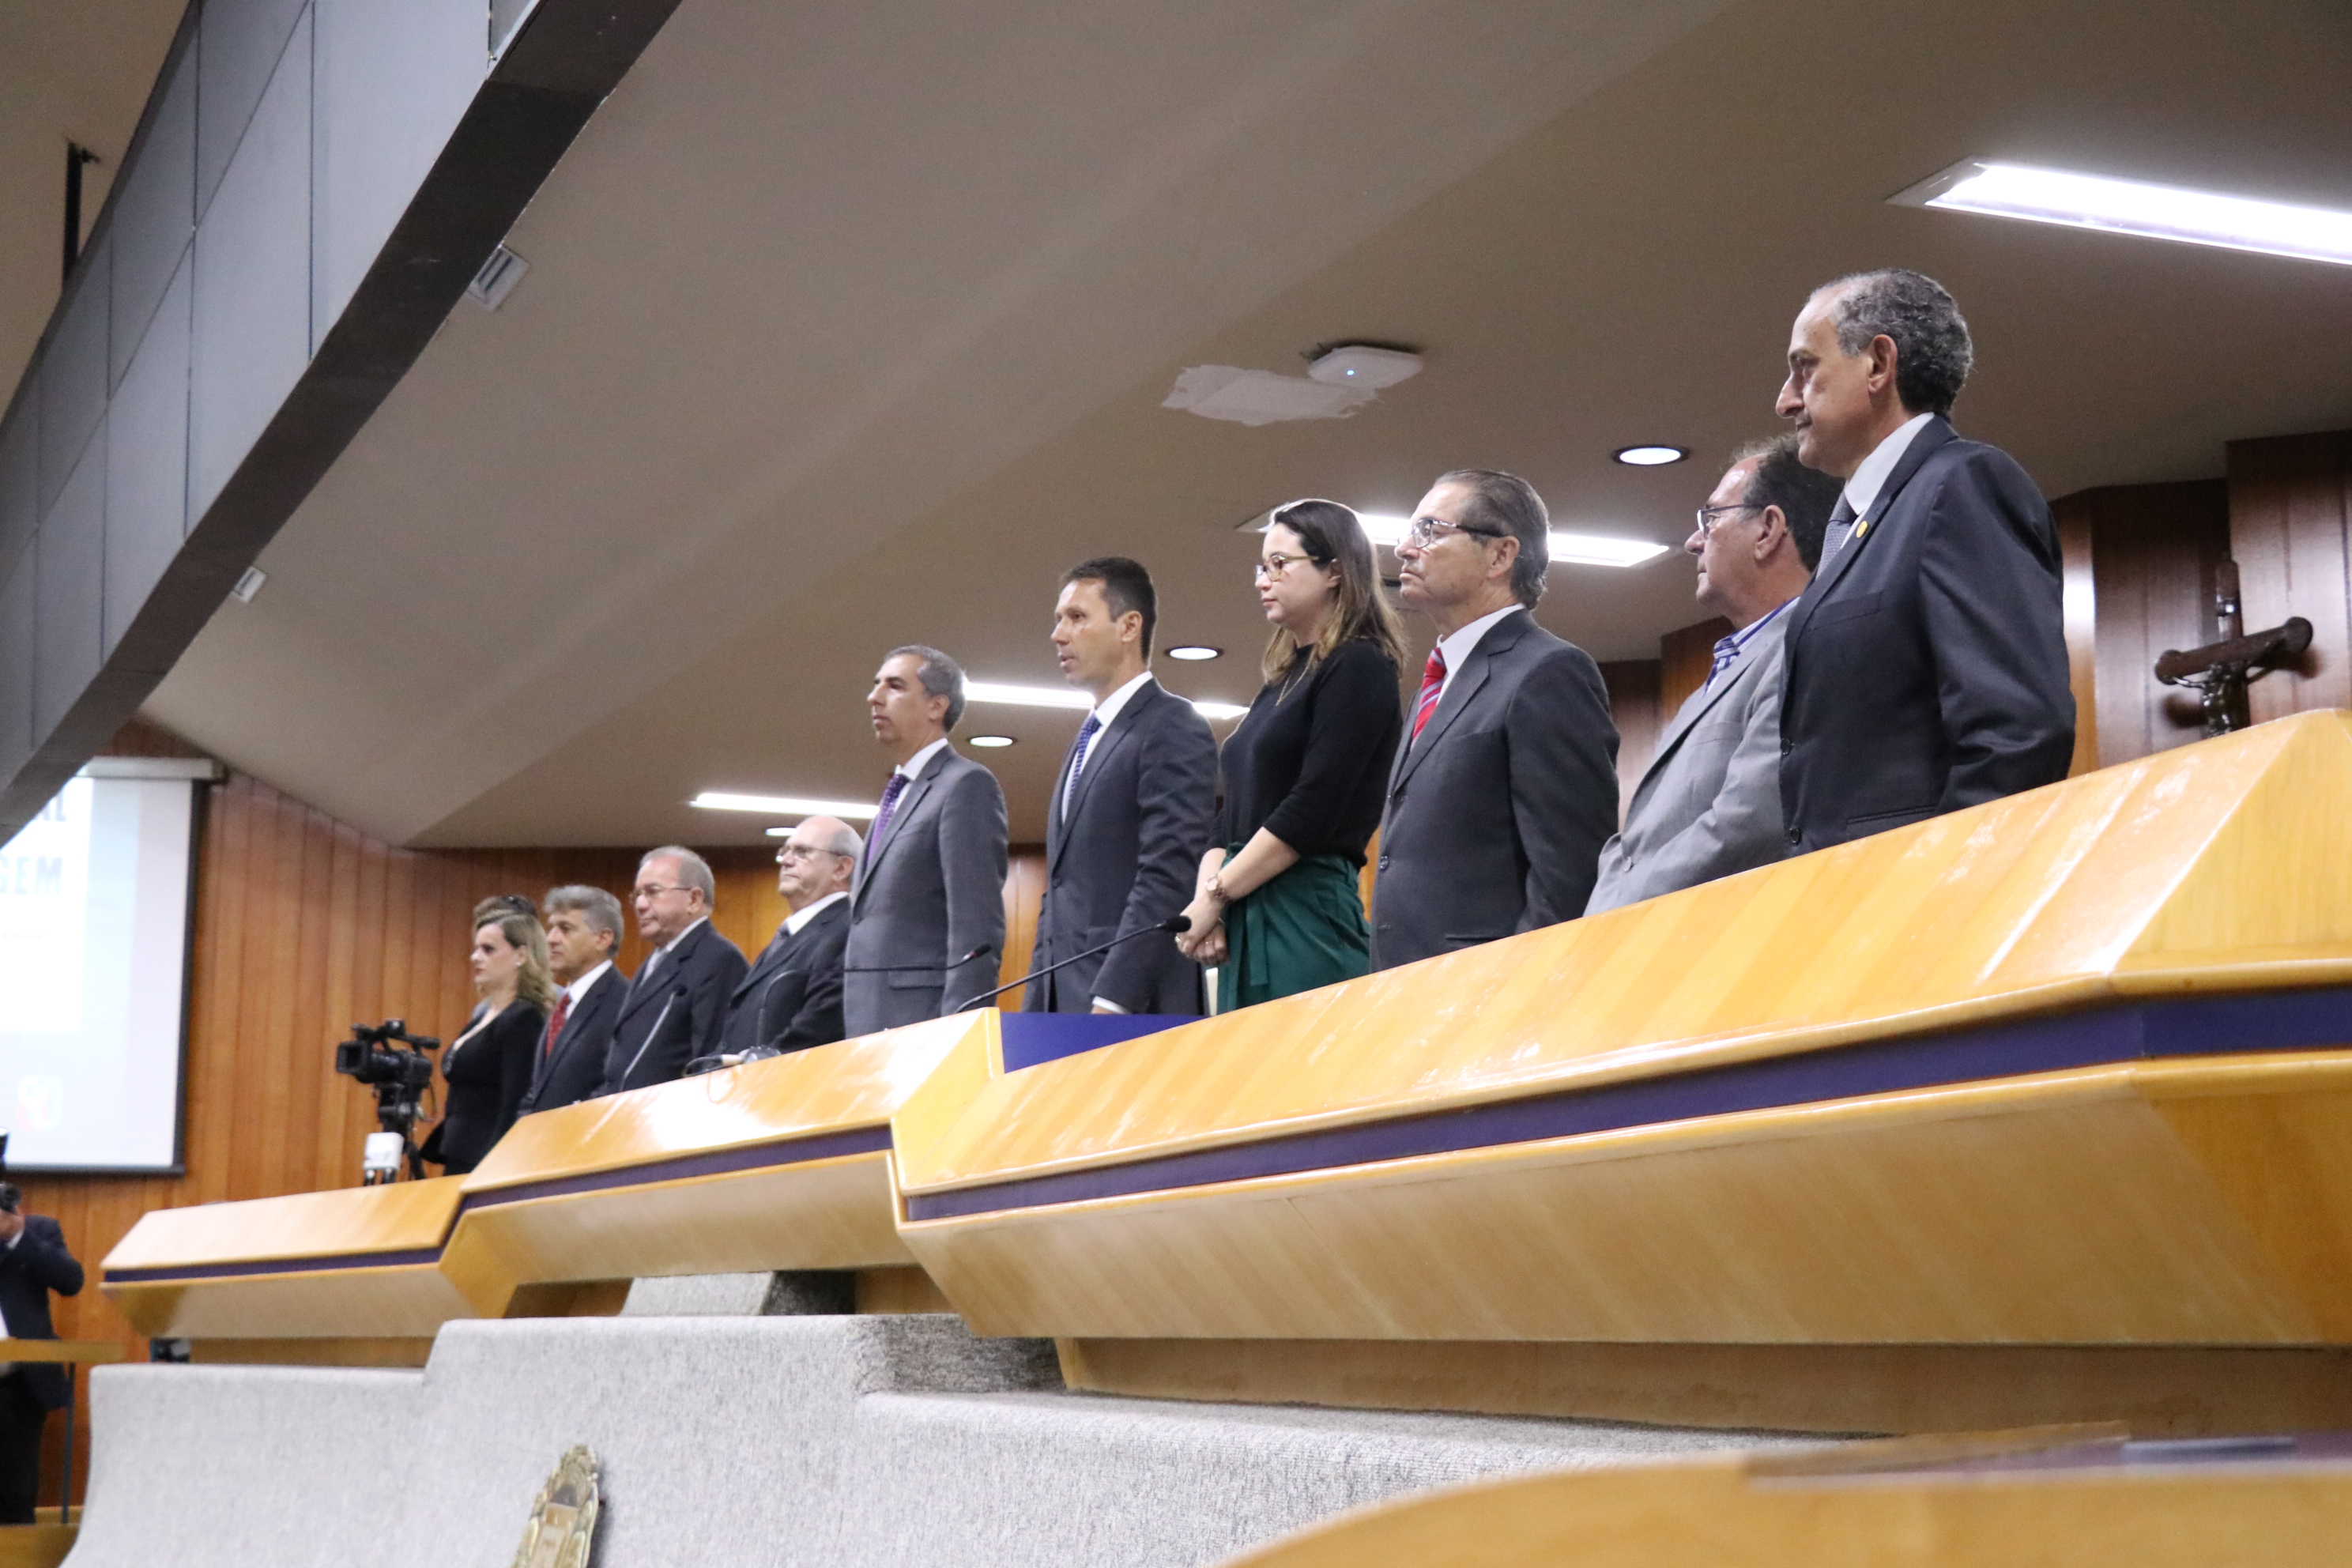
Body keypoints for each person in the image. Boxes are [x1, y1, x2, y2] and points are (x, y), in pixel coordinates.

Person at [1773, 269, 2073, 851]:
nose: (1785, 400)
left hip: (1918, 889)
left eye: (1805, 368)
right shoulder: (1863, 522)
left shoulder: (1962, 485)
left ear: (1878, 364)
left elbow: (2018, 735)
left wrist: (1940, 883)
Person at [1370, 469, 1619, 971]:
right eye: (1409, 531)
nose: (1403, 549)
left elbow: (1569, 874)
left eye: (1429, 531)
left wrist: (1516, 990)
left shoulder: (1548, 672)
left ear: (1500, 556)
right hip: (1406, 985)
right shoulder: (1435, 686)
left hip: (1490, 988)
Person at [1586, 436, 1840, 913]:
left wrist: (1618, 911)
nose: (1693, 541)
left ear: (1768, 530)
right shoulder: (1715, 680)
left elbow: (1749, 823)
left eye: (1712, 518)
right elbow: (1633, 844)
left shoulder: (1809, 650)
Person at [1177, 501, 1404, 1008]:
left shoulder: (1360, 666)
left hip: (1306, 911)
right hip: (1247, 900)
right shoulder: (1283, 679)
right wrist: (1209, 902)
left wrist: (1216, 896)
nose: (1264, 580)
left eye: (1280, 564)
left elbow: (1311, 808)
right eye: (1262, 567)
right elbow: (1228, 818)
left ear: (1335, 572)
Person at [1030, 558, 1218, 1014]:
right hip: (1063, 1002)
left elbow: (1168, 873)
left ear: (1129, 626)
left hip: (1130, 1003)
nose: (1058, 634)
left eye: (1076, 617)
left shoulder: (1172, 724)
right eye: (1059, 619)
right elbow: (1061, 890)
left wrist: (1115, 998)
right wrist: (1036, 1007)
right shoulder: (1087, 739)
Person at [842, 646, 1008, 1035]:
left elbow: (977, 926)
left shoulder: (965, 785)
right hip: (868, 1025)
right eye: (876, 684)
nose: (874, 697)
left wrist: (960, 1031)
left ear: (936, 706)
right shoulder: (897, 794)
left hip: (926, 1026)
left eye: (895, 686)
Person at [600, 846, 748, 1094]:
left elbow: (711, 1060)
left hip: (673, 1110)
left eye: (653, 892)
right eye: (637, 894)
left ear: (694, 899)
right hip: (629, 1108)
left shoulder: (718, 959)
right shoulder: (655, 960)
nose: (640, 905)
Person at [423, 906, 552, 1174]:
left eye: (488, 949)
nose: (475, 957)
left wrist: (498, 1166)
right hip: (459, 1152)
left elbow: (515, 1102)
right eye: (476, 949)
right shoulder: (483, 1016)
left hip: (488, 1160)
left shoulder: (523, 1019)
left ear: (521, 955)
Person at [717, 815, 858, 1056]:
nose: (787, 861)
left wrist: (753, 1065)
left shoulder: (846, 931)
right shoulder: (789, 934)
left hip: (789, 1075)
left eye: (802, 852)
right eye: (785, 851)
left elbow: (818, 1029)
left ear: (841, 868)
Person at [0, 1189, 81, 1525]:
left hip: (15, 1387)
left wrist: (17, 1236)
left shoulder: (38, 1230)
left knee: (14, 1496)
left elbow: (71, 1280)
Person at [517, 885, 629, 1116]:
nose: (551, 939)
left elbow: (616, 1086)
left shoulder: (624, 1002)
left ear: (603, 939)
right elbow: (540, 1088)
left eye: (565, 928)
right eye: (551, 928)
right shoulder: (563, 1003)